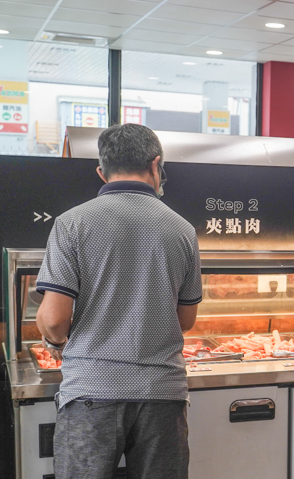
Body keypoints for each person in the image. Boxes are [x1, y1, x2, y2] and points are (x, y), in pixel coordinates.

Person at [35, 124, 202, 479]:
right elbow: (186, 319)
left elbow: (53, 320)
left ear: (102, 171)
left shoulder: (72, 224)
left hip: (92, 391)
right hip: (162, 394)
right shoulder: (182, 229)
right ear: (156, 165)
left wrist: (55, 342)